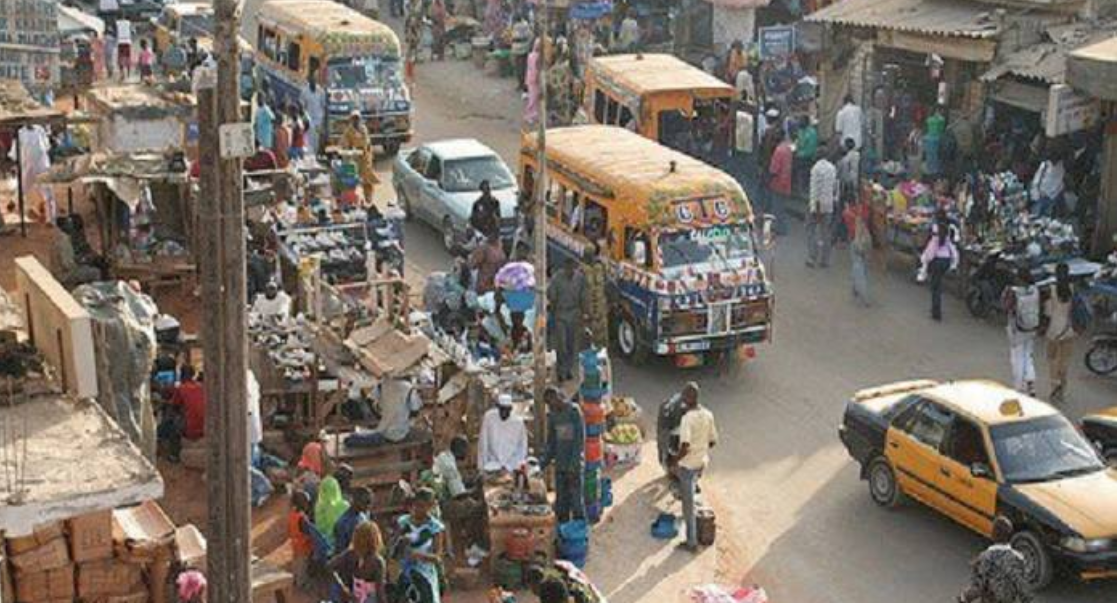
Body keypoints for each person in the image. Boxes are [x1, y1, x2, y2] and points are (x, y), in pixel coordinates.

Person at [671, 382, 717, 553]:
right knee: (692, 491)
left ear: (688, 399)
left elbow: (685, 446)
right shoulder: (708, 414)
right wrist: (701, 448)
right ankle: (698, 523)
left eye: (684, 397)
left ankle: (691, 542)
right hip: (702, 463)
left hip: (688, 466)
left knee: (687, 506)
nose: (682, 400)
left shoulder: (687, 419)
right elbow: (712, 441)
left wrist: (674, 461)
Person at [958, 517, 1032, 603]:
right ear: (1010, 536)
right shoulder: (1019, 558)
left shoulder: (985, 557)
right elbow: (1023, 588)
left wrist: (964, 598)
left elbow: (978, 587)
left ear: (992, 535)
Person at [540, 387, 586, 523]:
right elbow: (551, 443)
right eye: (548, 404)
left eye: (551, 403)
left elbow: (579, 442)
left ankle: (579, 532)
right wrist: (542, 463)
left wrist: (573, 466)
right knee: (561, 505)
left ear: (558, 397)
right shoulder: (553, 416)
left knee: (576, 503)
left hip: (574, 466)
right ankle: (564, 533)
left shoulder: (573, 412)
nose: (550, 406)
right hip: (560, 466)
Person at [394, 488, 446, 603]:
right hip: (405, 573)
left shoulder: (435, 527)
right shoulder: (403, 522)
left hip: (425, 573)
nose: (418, 509)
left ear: (431, 507)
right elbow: (393, 552)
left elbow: (438, 557)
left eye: (423, 506)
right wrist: (401, 544)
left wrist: (419, 555)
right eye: (416, 505)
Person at [1003, 266, 1040, 395]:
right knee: (1028, 355)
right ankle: (1031, 383)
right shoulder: (1035, 290)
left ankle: (1018, 388)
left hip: (1017, 328)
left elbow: (1006, 307)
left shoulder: (1014, 292)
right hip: (1032, 327)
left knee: (1017, 357)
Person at [330, 521, 387, 603]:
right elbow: (380, 594)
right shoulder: (378, 562)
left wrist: (343, 588)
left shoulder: (350, 554)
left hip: (354, 598)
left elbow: (330, 566)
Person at [548, 257, 586, 381]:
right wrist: (553, 313)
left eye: (572, 268)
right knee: (561, 344)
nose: (570, 270)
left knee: (571, 344)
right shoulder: (556, 278)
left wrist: (584, 313)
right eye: (568, 268)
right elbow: (552, 297)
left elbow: (582, 296)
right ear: (565, 267)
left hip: (574, 313)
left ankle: (568, 369)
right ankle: (561, 370)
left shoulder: (579, 278)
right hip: (561, 314)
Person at [158, 365, 206, 462]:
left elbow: (173, 406)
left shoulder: (181, 389)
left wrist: (162, 403)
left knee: (169, 425)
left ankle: (173, 455)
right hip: (205, 425)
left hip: (192, 428)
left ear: (181, 375)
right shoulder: (201, 387)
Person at [1043, 262, 1076, 403]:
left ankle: (1054, 384)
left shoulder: (1051, 289)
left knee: (1052, 360)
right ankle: (1062, 390)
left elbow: (1048, 312)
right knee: (1064, 361)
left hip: (1053, 330)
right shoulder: (1072, 289)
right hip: (1068, 330)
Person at [919, 214, 958, 321]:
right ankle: (936, 310)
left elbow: (930, 252)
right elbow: (953, 251)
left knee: (935, 287)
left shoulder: (935, 237)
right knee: (938, 285)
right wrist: (954, 264)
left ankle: (936, 312)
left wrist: (925, 262)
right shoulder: (947, 235)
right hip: (945, 261)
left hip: (937, 261)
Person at [478, 394, 529, 473]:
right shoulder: (489, 418)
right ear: (498, 408)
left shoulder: (518, 422)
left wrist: (510, 466)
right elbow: (483, 443)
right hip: (491, 465)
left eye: (506, 410)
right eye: (502, 410)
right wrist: (482, 467)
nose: (504, 413)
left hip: (512, 466)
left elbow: (522, 447)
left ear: (511, 409)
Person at [806, 150, 838, 268]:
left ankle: (812, 257)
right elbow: (835, 186)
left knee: (811, 230)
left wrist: (815, 207)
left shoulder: (816, 169)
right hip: (829, 204)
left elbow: (815, 189)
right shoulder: (832, 168)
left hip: (817, 204)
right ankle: (825, 259)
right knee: (826, 232)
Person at [289, 490, 327, 587]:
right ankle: (302, 583)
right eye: (307, 502)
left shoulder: (292, 514)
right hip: (303, 546)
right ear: (303, 504)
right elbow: (311, 532)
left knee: (296, 563)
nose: (308, 505)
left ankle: (295, 579)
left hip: (295, 544)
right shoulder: (302, 518)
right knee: (303, 565)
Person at [341, 111, 379, 204]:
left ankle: (368, 197)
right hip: (353, 157)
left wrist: (364, 150)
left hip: (364, 156)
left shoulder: (363, 129)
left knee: (367, 179)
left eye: (357, 118)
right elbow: (345, 144)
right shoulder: (348, 131)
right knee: (351, 178)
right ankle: (351, 199)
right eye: (354, 119)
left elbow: (366, 141)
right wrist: (350, 150)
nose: (356, 121)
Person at [844, 193, 872, 307]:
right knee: (863, 266)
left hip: (854, 240)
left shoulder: (847, 213)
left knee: (857, 265)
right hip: (866, 241)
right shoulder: (865, 210)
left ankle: (862, 292)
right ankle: (855, 288)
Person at [582, 244, 609, 349]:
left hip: (601, 308)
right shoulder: (581, 271)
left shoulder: (600, 267)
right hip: (589, 310)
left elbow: (606, 284)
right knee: (589, 336)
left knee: (602, 337)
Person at [767, 128, 793, 236]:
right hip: (786, 182)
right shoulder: (787, 149)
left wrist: (768, 179)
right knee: (781, 207)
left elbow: (773, 170)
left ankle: (780, 229)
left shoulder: (778, 151)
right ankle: (781, 228)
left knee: (777, 207)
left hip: (777, 183)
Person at [334, 487, 373, 553]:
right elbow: (341, 551)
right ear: (356, 501)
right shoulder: (343, 523)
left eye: (370, 502)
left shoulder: (364, 516)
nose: (369, 506)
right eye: (367, 502)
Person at [315, 475, 350, 549]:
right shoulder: (345, 505)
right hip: (344, 543)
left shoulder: (319, 507)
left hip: (326, 545)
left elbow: (320, 528)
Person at [793, 117, 819, 194]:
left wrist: (798, 150)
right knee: (802, 173)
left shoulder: (811, 132)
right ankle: (801, 189)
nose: (799, 124)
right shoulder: (801, 131)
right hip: (803, 156)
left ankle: (803, 189)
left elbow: (806, 146)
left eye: (801, 122)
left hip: (807, 157)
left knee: (804, 173)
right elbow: (798, 143)